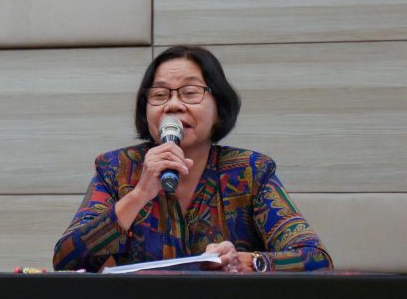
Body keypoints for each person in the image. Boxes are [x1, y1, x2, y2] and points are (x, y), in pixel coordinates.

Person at [54, 45, 332, 273]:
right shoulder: (116, 169)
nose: (173, 105)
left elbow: (316, 259)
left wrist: (250, 262)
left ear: (220, 109)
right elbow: (66, 259)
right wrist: (139, 194)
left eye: (190, 93)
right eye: (160, 95)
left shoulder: (250, 172)